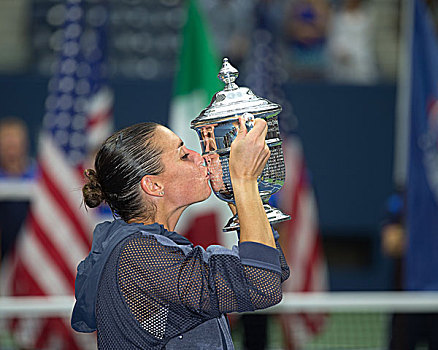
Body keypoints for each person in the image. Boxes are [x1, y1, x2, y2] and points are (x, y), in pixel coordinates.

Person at [71, 117, 290, 349]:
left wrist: (234, 190)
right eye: (184, 155)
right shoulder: (137, 254)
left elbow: (270, 269)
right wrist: (244, 179)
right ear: (153, 186)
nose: (201, 157)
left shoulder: (149, 247)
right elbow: (262, 286)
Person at [0, 117, 36, 261]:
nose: (11, 151)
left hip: (34, 256)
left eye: (14, 145)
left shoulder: (39, 177)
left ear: (24, 145)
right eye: (7, 146)